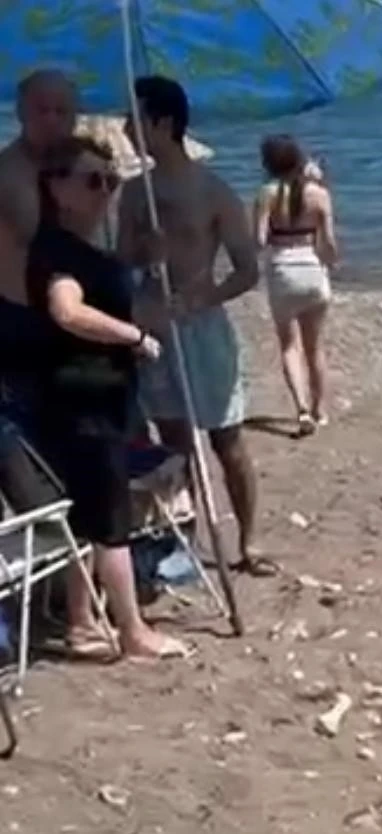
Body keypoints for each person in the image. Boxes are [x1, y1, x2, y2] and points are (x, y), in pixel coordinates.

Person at [27, 135, 188, 659]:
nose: (105, 191)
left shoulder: (79, 249)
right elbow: (67, 311)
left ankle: (80, 622)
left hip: (97, 397)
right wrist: (133, 337)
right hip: (85, 402)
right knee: (110, 518)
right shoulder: (57, 252)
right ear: (58, 188)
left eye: (112, 181)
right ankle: (133, 632)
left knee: (87, 514)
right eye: (93, 180)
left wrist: (143, 262)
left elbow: (105, 290)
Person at [117, 76, 268, 575]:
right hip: (155, 327)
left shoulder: (213, 191)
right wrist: (145, 252)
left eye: (134, 118)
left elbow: (247, 269)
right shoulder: (134, 192)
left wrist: (204, 296)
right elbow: (121, 262)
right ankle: (185, 542)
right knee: (174, 447)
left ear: (163, 123)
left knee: (227, 439)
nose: (126, 129)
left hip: (203, 328)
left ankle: (249, 542)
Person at [0, 70, 78, 434]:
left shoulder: (87, 171)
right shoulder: (7, 174)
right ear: (20, 112)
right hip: (22, 320)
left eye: (62, 111)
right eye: (41, 110)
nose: (52, 120)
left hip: (80, 317)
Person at [254, 135, 339, 434]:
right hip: (313, 271)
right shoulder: (320, 194)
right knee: (315, 347)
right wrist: (331, 262)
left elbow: (259, 240)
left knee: (290, 346)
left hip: (283, 273)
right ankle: (320, 410)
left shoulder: (267, 193)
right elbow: (329, 243)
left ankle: (302, 409)